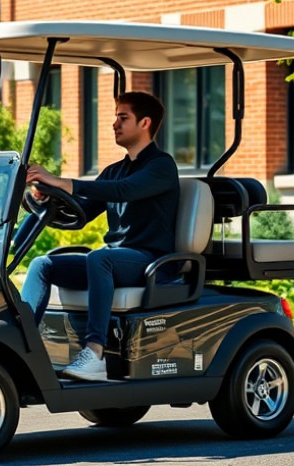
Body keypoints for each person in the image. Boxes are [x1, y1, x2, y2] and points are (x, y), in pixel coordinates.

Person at [21, 91, 179, 381]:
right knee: (43, 264)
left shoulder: (161, 166)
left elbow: (124, 191)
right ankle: (20, 348)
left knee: (100, 258)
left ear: (145, 123)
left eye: (123, 117)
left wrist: (61, 181)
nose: (114, 124)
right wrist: (44, 199)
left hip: (151, 262)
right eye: (115, 117)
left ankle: (94, 352)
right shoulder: (113, 170)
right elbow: (78, 214)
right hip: (115, 263)